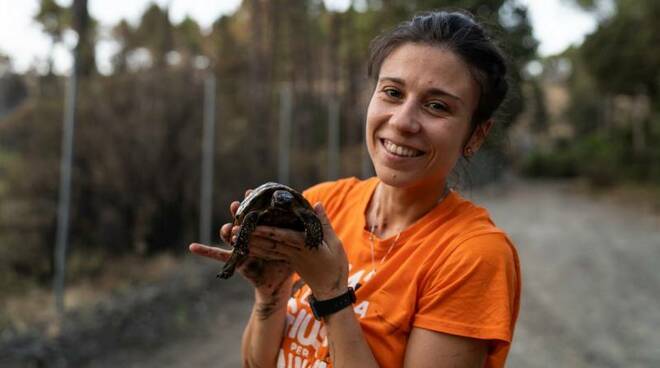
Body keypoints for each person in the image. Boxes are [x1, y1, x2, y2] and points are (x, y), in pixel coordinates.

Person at [190, 9, 520, 368]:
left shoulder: (471, 255)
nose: (403, 121)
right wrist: (270, 297)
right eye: (392, 92)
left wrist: (332, 295)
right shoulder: (322, 204)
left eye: (437, 106)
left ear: (476, 134)